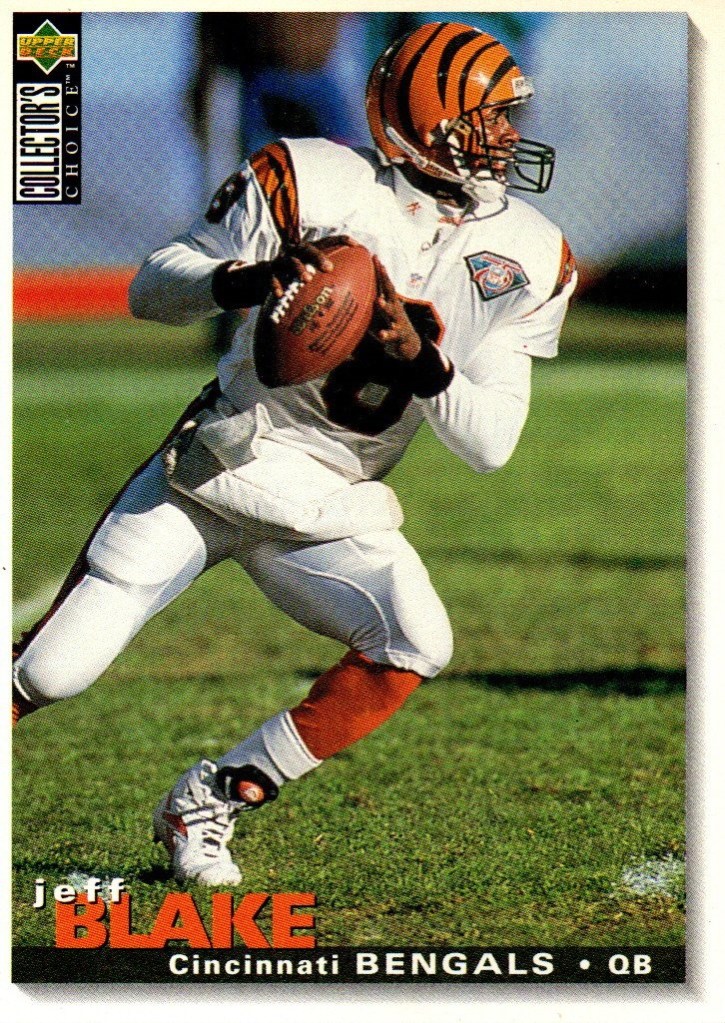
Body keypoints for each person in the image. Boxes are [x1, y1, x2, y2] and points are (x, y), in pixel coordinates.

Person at [13, 22, 577, 886]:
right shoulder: (314, 178)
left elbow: (489, 444)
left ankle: (211, 798)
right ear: (426, 121)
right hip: (219, 466)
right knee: (52, 670)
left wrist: (422, 363)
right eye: (488, 117)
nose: (508, 134)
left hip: (333, 499)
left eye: (510, 115)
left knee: (414, 641)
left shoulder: (527, 252)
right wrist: (240, 279)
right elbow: (150, 289)